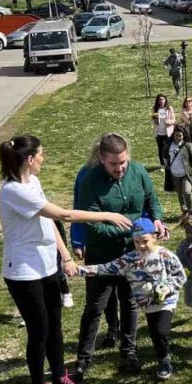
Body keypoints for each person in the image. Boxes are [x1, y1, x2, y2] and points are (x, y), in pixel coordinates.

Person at [0, 135, 132, 384]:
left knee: (55, 327)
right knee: (39, 330)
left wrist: (65, 255)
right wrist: (106, 215)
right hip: (24, 271)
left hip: (47, 265)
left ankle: (60, 377)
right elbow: (64, 215)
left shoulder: (32, 182)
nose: (44, 159)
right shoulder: (13, 191)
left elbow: (48, 223)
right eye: (42, 154)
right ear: (30, 159)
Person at [73, 133, 169, 383]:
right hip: (102, 254)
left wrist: (156, 218)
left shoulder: (138, 172)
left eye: (123, 162)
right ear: (102, 159)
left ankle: (128, 352)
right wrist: (129, 231)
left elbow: (152, 200)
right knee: (95, 306)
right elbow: (89, 221)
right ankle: (83, 358)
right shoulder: (89, 179)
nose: (120, 168)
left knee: (130, 302)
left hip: (133, 253)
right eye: (114, 164)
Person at [75, 218, 186, 381]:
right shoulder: (129, 260)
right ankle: (163, 353)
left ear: (154, 237)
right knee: (155, 332)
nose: (141, 246)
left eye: (145, 241)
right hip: (147, 304)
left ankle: (163, 361)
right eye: (136, 242)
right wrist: (78, 270)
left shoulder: (166, 255)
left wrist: (168, 288)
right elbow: (105, 268)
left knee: (161, 330)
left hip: (166, 301)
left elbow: (180, 276)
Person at [70, 142, 120, 349]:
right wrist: (77, 240)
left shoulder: (124, 172)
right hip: (97, 242)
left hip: (121, 240)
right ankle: (112, 328)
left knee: (125, 293)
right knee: (103, 293)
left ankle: (125, 336)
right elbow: (78, 208)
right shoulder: (86, 174)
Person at [164, 127, 192, 213]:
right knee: (180, 194)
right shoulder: (169, 145)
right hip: (175, 174)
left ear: (183, 136)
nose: (178, 137)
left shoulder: (187, 145)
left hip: (186, 173)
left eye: (180, 135)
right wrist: (166, 164)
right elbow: (165, 154)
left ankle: (190, 210)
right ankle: (184, 211)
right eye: (176, 135)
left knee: (187, 192)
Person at [152, 94, 176, 168]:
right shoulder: (155, 109)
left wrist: (169, 122)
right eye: (159, 100)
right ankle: (162, 164)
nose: (161, 101)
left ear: (165, 100)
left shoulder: (169, 108)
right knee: (161, 149)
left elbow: (174, 120)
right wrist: (155, 121)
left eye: (162, 99)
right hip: (159, 132)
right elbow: (151, 120)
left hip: (168, 132)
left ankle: (170, 162)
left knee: (168, 148)